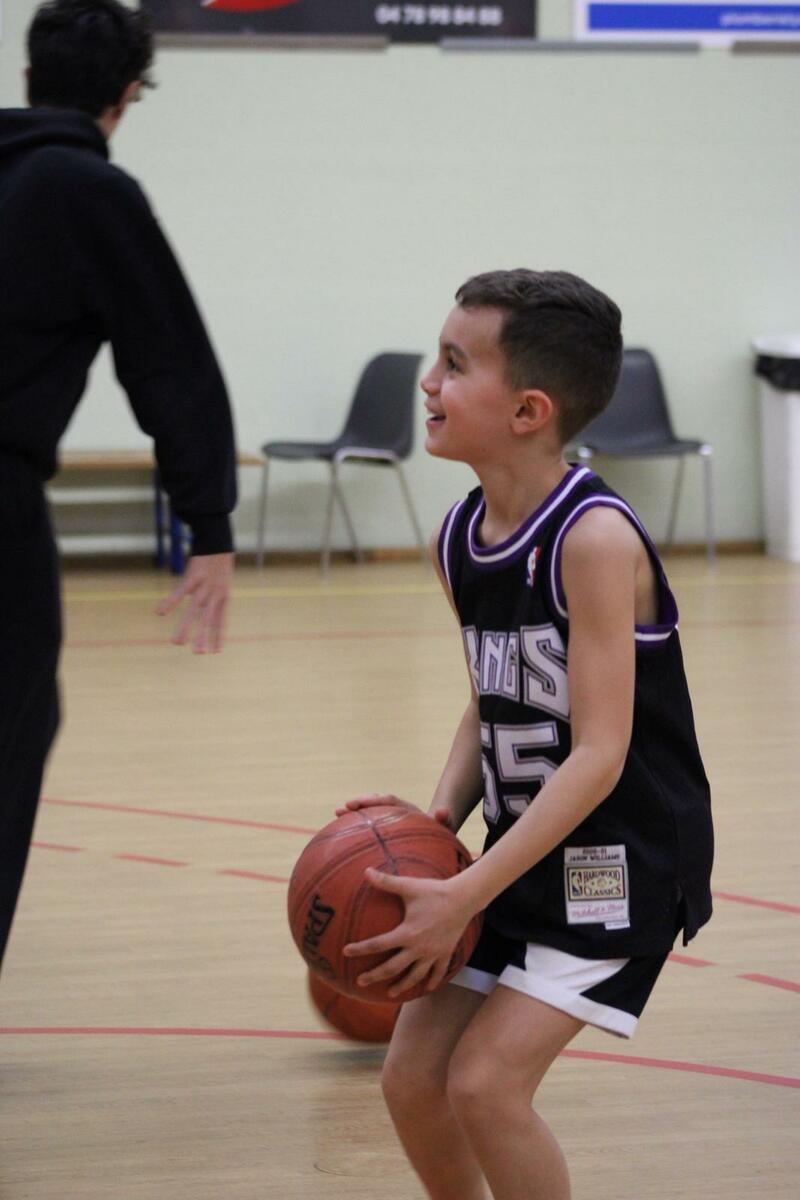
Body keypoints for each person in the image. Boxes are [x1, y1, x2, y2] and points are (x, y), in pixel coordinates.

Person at [338, 269, 714, 1200]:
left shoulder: (593, 539)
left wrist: (464, 891)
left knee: (485, 1086)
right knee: (412, 1081)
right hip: (517, 854)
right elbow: (489, 700)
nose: (428, 381)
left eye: (455, 364)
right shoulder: (458, 535)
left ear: (528, 410)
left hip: (619, 865)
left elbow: (600, 753)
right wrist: (432, 829)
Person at [0, 0, 237, 974]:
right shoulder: (86, 189)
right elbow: (168, 358)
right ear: (125, 96)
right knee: (14, 731)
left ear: (29, 79)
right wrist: (209, 523)